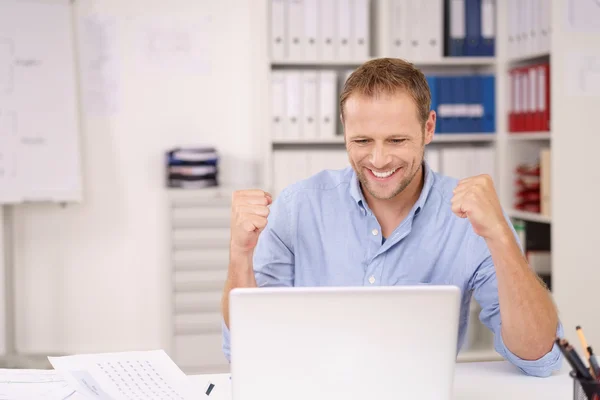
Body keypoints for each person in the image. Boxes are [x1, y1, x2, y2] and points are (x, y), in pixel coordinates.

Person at [220, 57, 562, 377]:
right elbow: (246, 349)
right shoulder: (297, 207)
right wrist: (240, 253)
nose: (379, 160)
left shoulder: (469, 217)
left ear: (428, 128)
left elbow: (539, 357)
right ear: (344, 129)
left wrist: (500, 235)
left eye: (397, 140)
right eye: (362, 140)